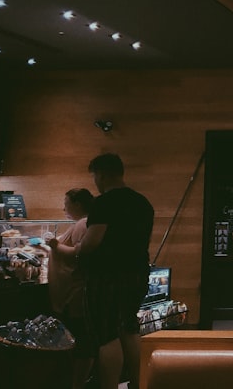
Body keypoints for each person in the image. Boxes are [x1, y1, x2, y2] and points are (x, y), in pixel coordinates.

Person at [78, 154, 155, 389]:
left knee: (107, 334)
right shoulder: (143, 203)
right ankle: (138, 382)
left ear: (101, 174)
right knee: (129, 328)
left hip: (107, 277)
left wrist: (71, 251)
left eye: (94, 176)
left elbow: (91, 243)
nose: (95, 181)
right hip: (137, 274)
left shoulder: (103, 203)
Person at [44, 188, 96, 388]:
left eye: (66, 203)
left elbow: (78, 254)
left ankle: (77, 384)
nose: (63, 207)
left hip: (74, 294)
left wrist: (55, 245)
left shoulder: (83, 223)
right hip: (72, 294)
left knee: (80, 343)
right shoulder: (82, 222)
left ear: (78, 204)